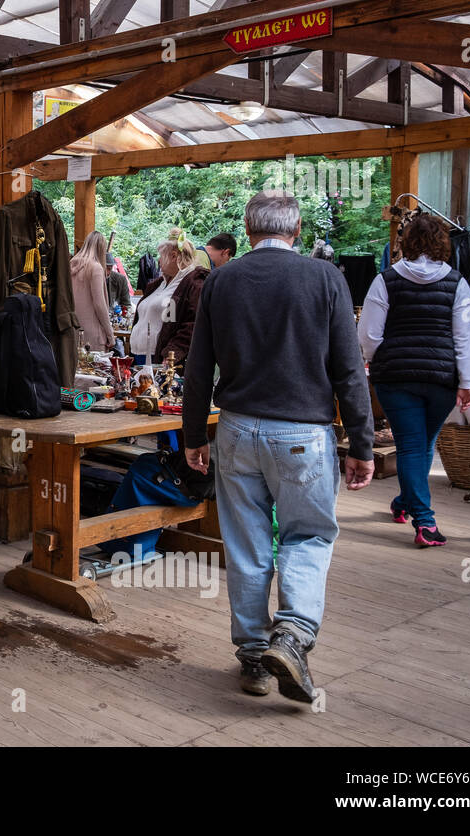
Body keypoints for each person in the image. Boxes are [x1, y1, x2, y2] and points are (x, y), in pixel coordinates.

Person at [183, 190, 374, 703]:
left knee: (246, 546)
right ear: (296, 231)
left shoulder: (222, 280)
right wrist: (362, 442)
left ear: (248, 231)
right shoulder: (325, 278)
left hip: (238, 429)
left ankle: (253, 660)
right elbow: (348, 369)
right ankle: (291, 636)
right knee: (307, 537)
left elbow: (198, 367)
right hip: (303, 436)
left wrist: (194, 434)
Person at [359, 215, 470, 547]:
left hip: (395, 378)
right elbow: (467, 337)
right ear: (443, 245)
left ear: (406, 242)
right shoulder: (458, 284)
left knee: (415, 445)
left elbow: (368, 334)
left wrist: (376, 358)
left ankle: (405, 504)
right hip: (441, 378)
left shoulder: (385, 280)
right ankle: (424, 522)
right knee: (421, 445)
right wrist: (467, 381)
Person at [131, 229, 208, 367]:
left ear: (173, 256)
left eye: (161, 256)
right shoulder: (159, 284)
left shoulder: (193, 284)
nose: (158, 260)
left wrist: (172, 354)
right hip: (141, 354)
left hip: (162, 358)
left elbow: (192, 325)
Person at [69, 230, 115, 352]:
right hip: (93, 335)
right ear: (101, 249)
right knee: (92, 369)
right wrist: (110, 334)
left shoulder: (71, 265)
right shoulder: (96, 268)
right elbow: (99, 304)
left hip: (73, 330)